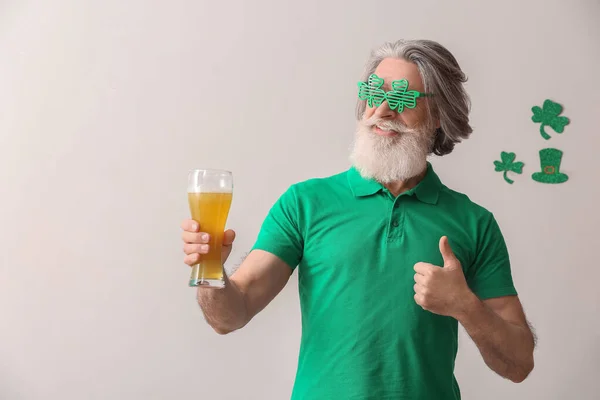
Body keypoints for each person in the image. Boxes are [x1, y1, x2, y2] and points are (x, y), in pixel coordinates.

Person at [180, 39, 536, 400]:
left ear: (439, 113)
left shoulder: (474, 222)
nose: (381, 109)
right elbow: (229, 317)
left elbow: (519, 364)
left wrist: (465, 306)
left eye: (401, 97)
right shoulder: (305, 203)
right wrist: (210, 271)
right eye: (372, 92)